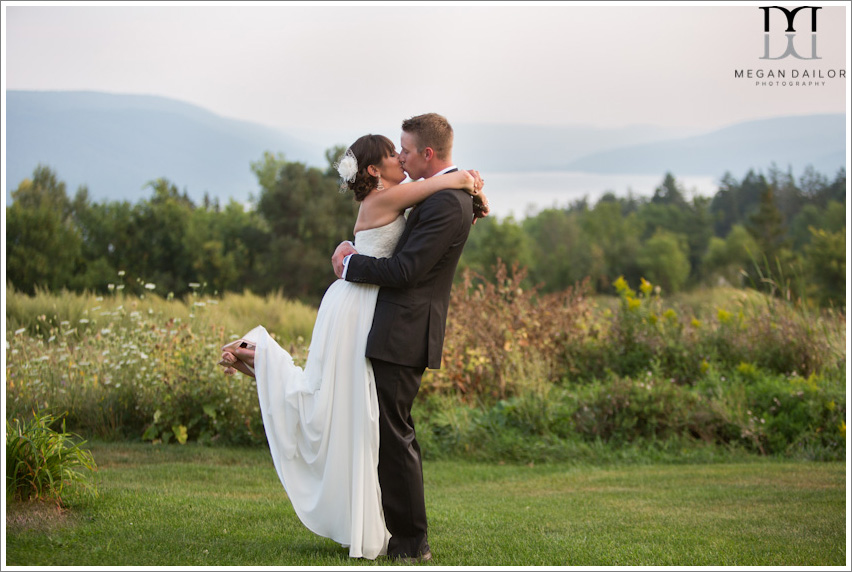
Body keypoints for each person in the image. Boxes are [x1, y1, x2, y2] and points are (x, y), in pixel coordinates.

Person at [219, 132, 488, 561]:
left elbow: (429, 217)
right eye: (392, 154)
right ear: (373, 171)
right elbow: (432, 189)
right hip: (357, 304)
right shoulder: (387, 198)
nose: (401, 158)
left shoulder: (395, 195)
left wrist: (465, 192)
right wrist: (460, 180)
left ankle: (261, 359)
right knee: (338, 401)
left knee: (349, 407)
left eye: (405, 150)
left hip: (365, 303)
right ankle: (263, 357)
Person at [331, 113, 479, 563]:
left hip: (405, 330)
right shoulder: (438, 196)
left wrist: (350, 265)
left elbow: (408, 271)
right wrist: (469, 184)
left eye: (407, 150)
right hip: (392, 327)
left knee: (395, 436)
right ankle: (398, 534)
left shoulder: (444, 202)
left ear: (427, 153)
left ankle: (413, 542)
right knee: (389, 434)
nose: (401, 156)